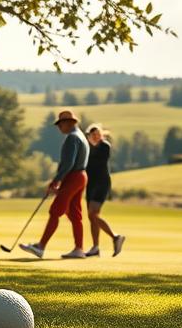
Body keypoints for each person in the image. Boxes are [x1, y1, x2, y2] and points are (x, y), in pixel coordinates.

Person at [20, 110, 88, 259]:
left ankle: (41, 247)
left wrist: (57, 179)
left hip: (73, 177)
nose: (59, 127)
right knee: (75, 214)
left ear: (69, 123)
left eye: (60, 124)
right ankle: (79, 249)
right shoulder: (81, 136)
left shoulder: (72, 137)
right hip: (81, 176)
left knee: (55, 210)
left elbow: (68, 163)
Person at [83, 124, 125, 257]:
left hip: (101, 183)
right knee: (91, 217)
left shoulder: (104, 145)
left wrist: (89, 145)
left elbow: (98, 160)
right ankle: (95, 247)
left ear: (100, 134)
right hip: (90, 184)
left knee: (93, 214)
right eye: (91, 135)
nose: (95, 137)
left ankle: (115, 237)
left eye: (96, 134)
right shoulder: (88, 148)